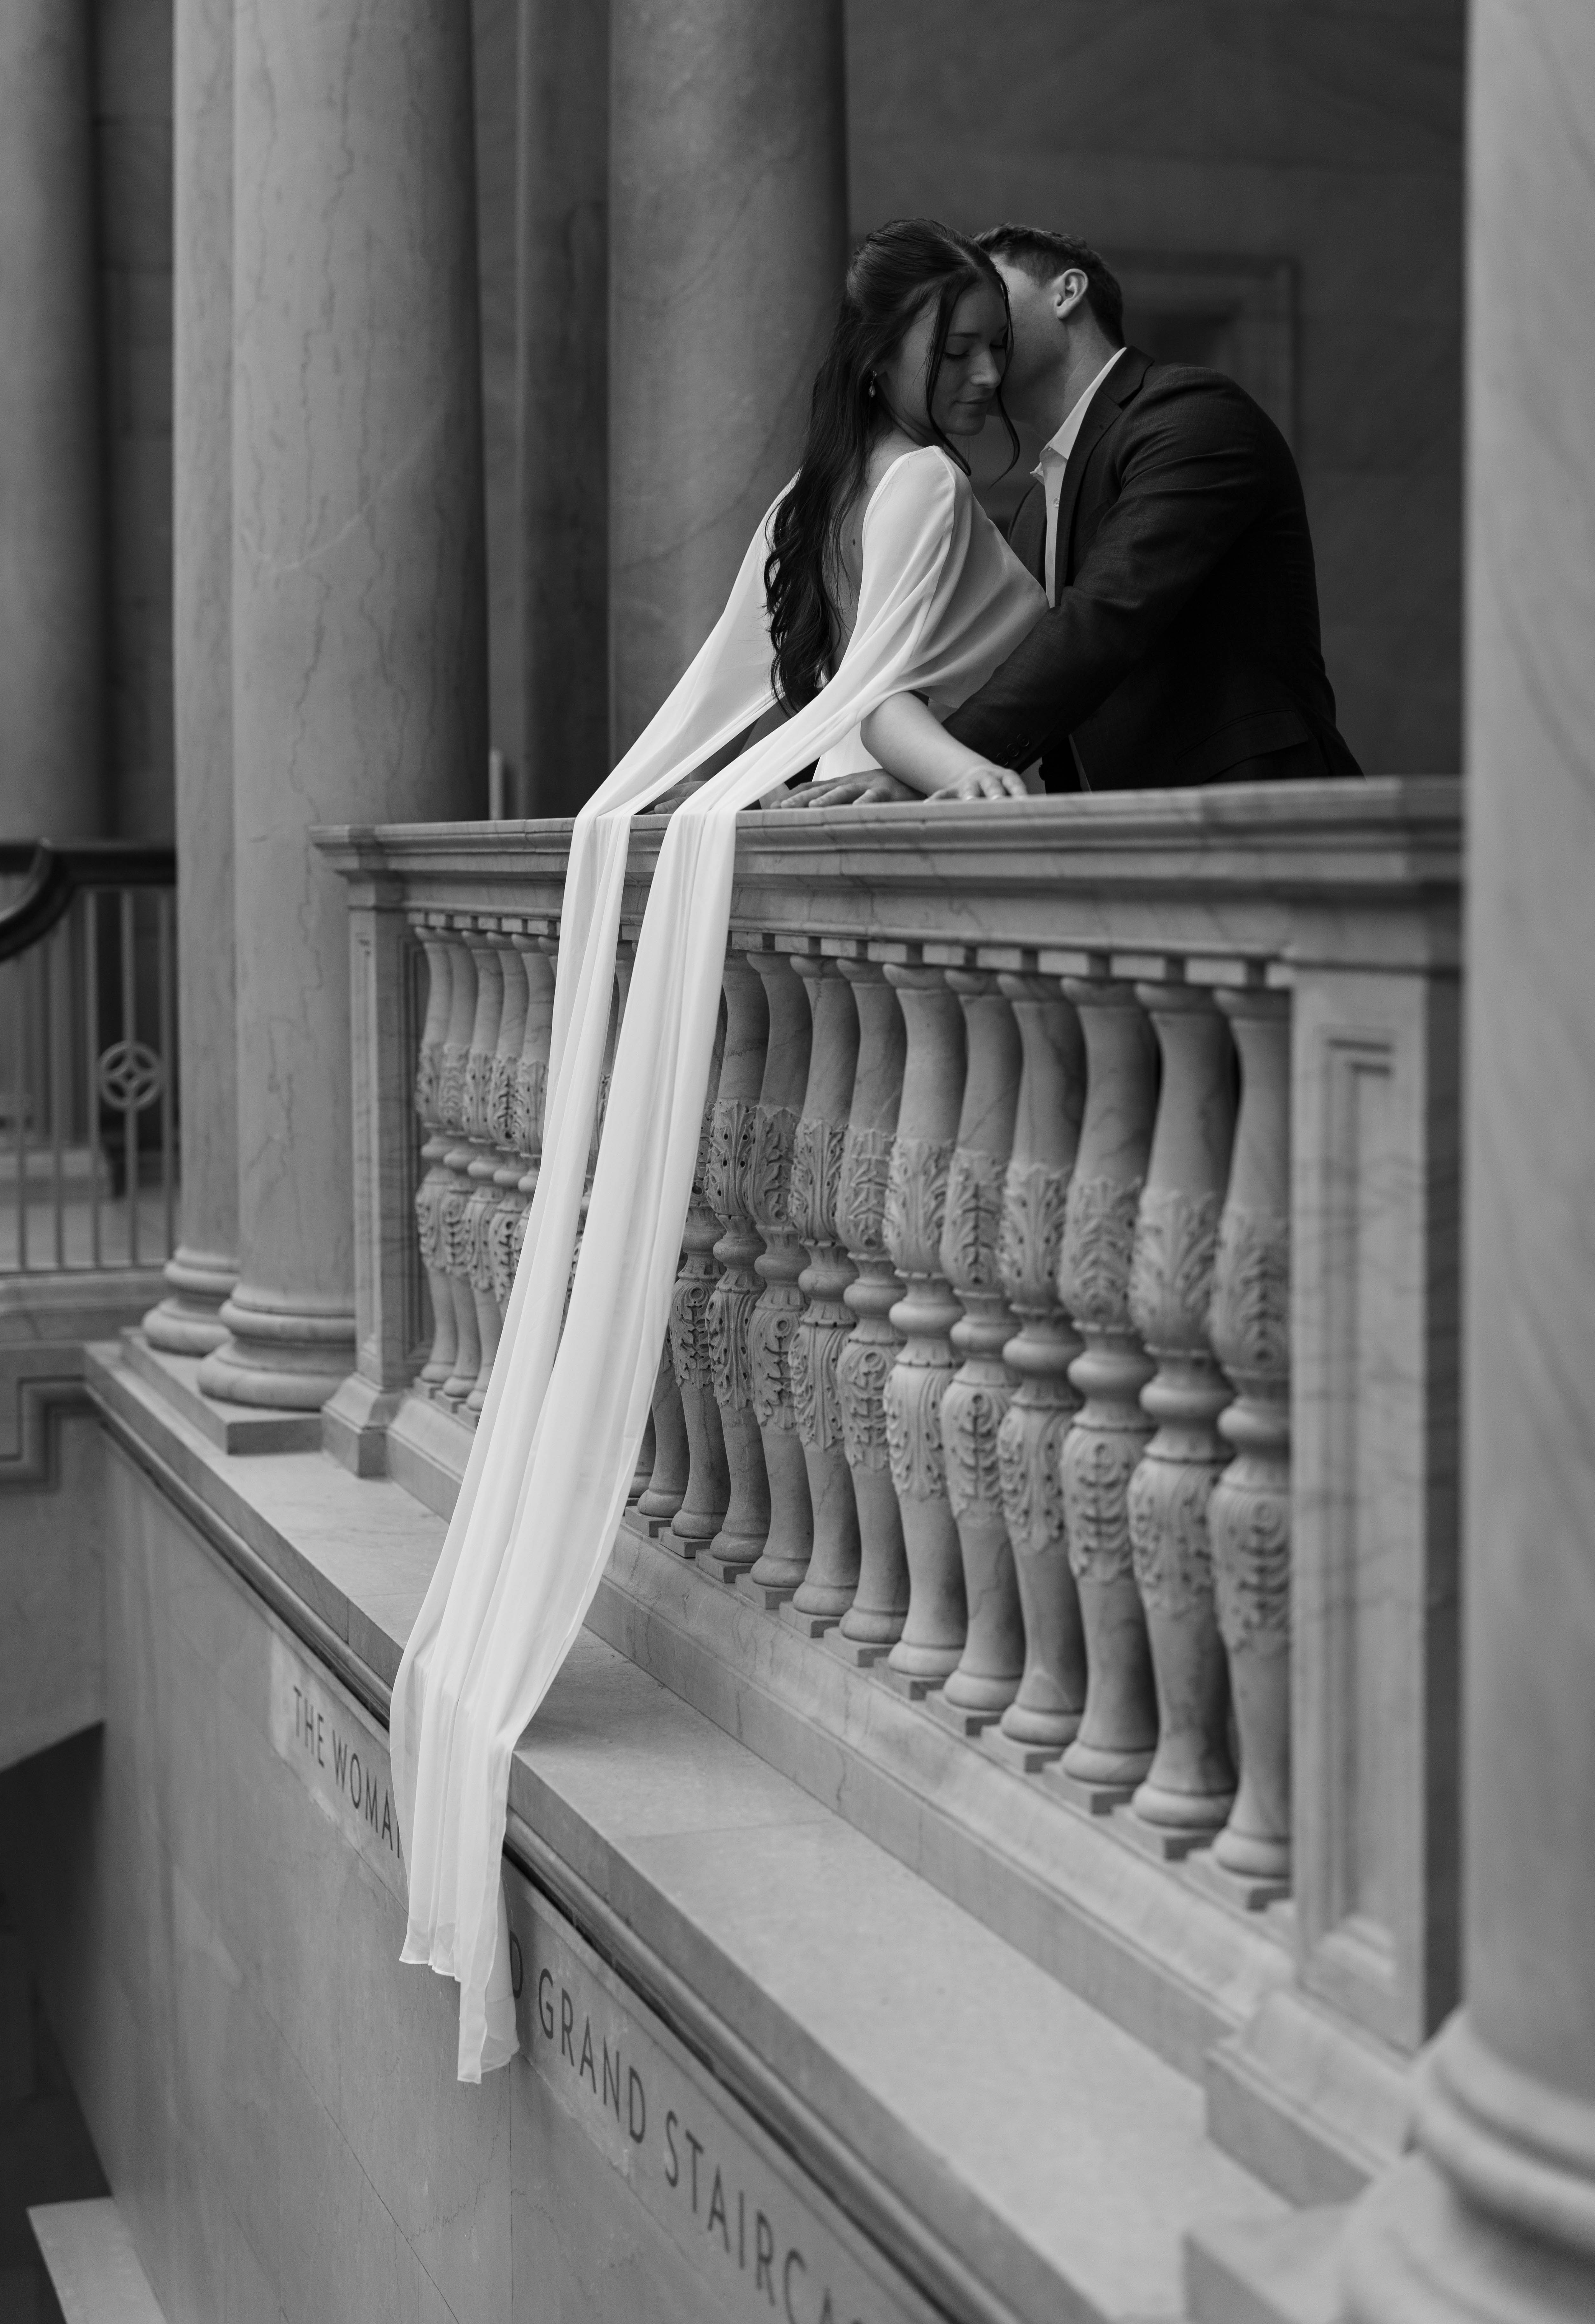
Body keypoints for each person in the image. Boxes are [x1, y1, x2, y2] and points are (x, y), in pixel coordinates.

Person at [390, 222, 1051, 2079]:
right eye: (958, 349)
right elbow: (872, 707)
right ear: (886, 362)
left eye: (993, 351)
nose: (982, 382)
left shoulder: (804, 499)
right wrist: (959, 778)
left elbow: (829, 697)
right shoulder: (906, 486)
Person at [782, 223, 1358, 805]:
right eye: (959, 337)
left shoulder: (1190, 412)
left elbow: (1104, 618)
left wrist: (933, 772)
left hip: (1256, 808)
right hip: (1110, 838)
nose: (981, 321)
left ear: (1067, 292)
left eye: (995, 298)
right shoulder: (1033, 508)